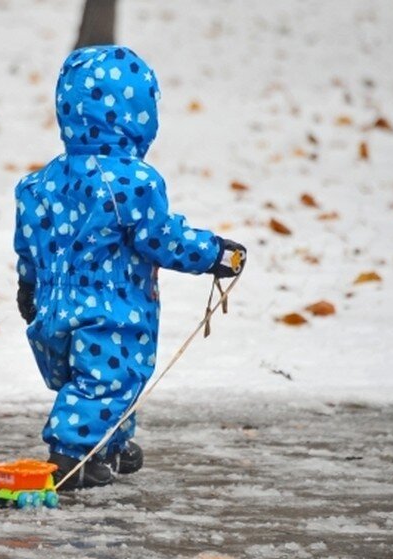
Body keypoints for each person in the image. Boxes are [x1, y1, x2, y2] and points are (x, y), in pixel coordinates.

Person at [13, 46, 245, 490]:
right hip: (111, 305)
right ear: (137, 115)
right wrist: (213, 253)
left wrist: (28, 286)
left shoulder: (39, 182)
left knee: (98, 381)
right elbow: (161, 238)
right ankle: (71, 455)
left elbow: (29, 242)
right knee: (110, 378)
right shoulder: (132, 182)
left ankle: (109, 447)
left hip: (53, 304)